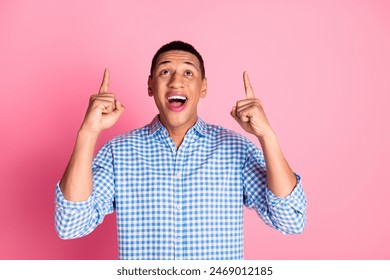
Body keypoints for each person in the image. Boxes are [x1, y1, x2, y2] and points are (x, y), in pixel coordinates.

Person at [55, 41, 307, 260]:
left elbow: (291, 219)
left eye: (188, 72)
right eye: (165, 71)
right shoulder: (118, 153)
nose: (176, 81)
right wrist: (88, 133)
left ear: (203, 87)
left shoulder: (236, 149)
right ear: (150, 86)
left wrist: (267, 136)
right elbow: (71, 225)